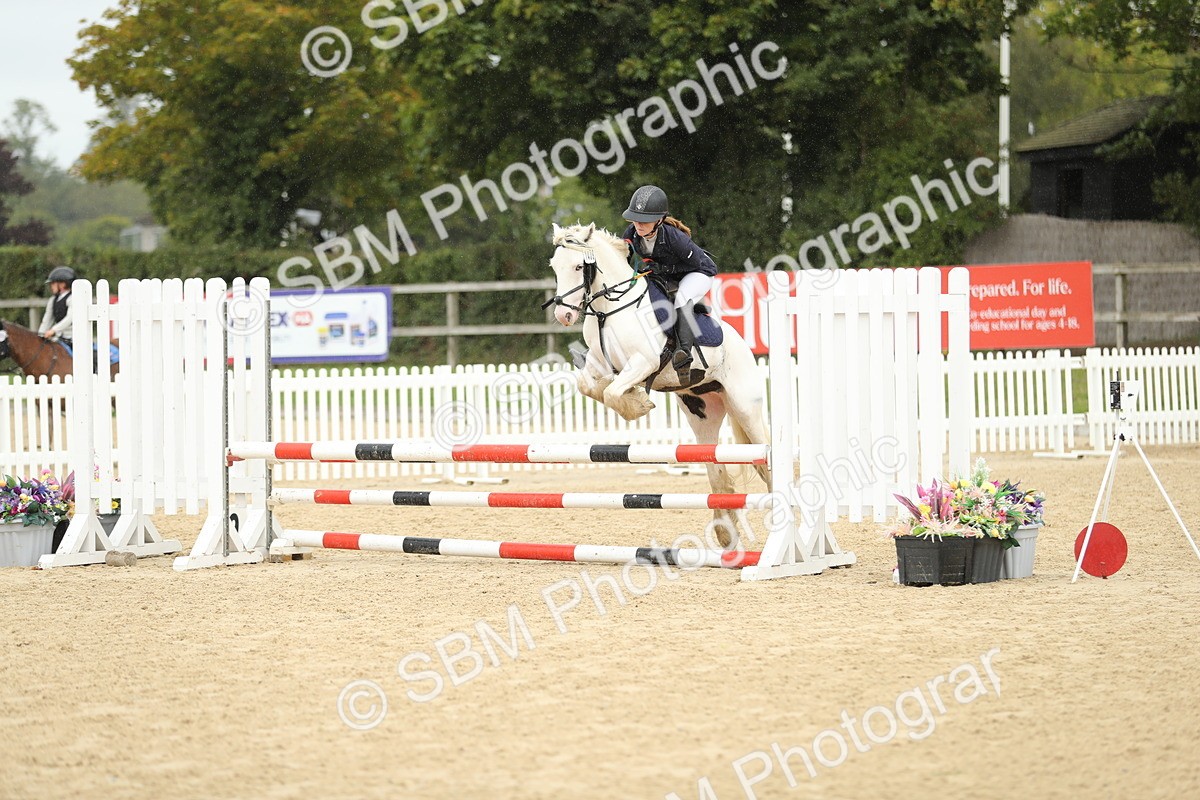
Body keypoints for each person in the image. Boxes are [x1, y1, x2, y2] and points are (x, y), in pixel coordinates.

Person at [621, 185, 716, 378]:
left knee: (682, 297)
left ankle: (684, 353)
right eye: (635, 219)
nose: (638, 225)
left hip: (699, 272)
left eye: (645, 221)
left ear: (659, 220)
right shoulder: (631, 234)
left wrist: (664, 269)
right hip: (668, 275)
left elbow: (694, 264)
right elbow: (622, 258)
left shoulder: (674, 238)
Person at [38, 266, 76, 347]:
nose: (51, 286)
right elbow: (47, 319)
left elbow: (69, 318)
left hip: (73, 337)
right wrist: (40, 335)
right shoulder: (53, 300)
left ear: (63, 284)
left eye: (53, 283)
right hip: (59, 337)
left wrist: (53, 330)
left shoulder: (72, 298)